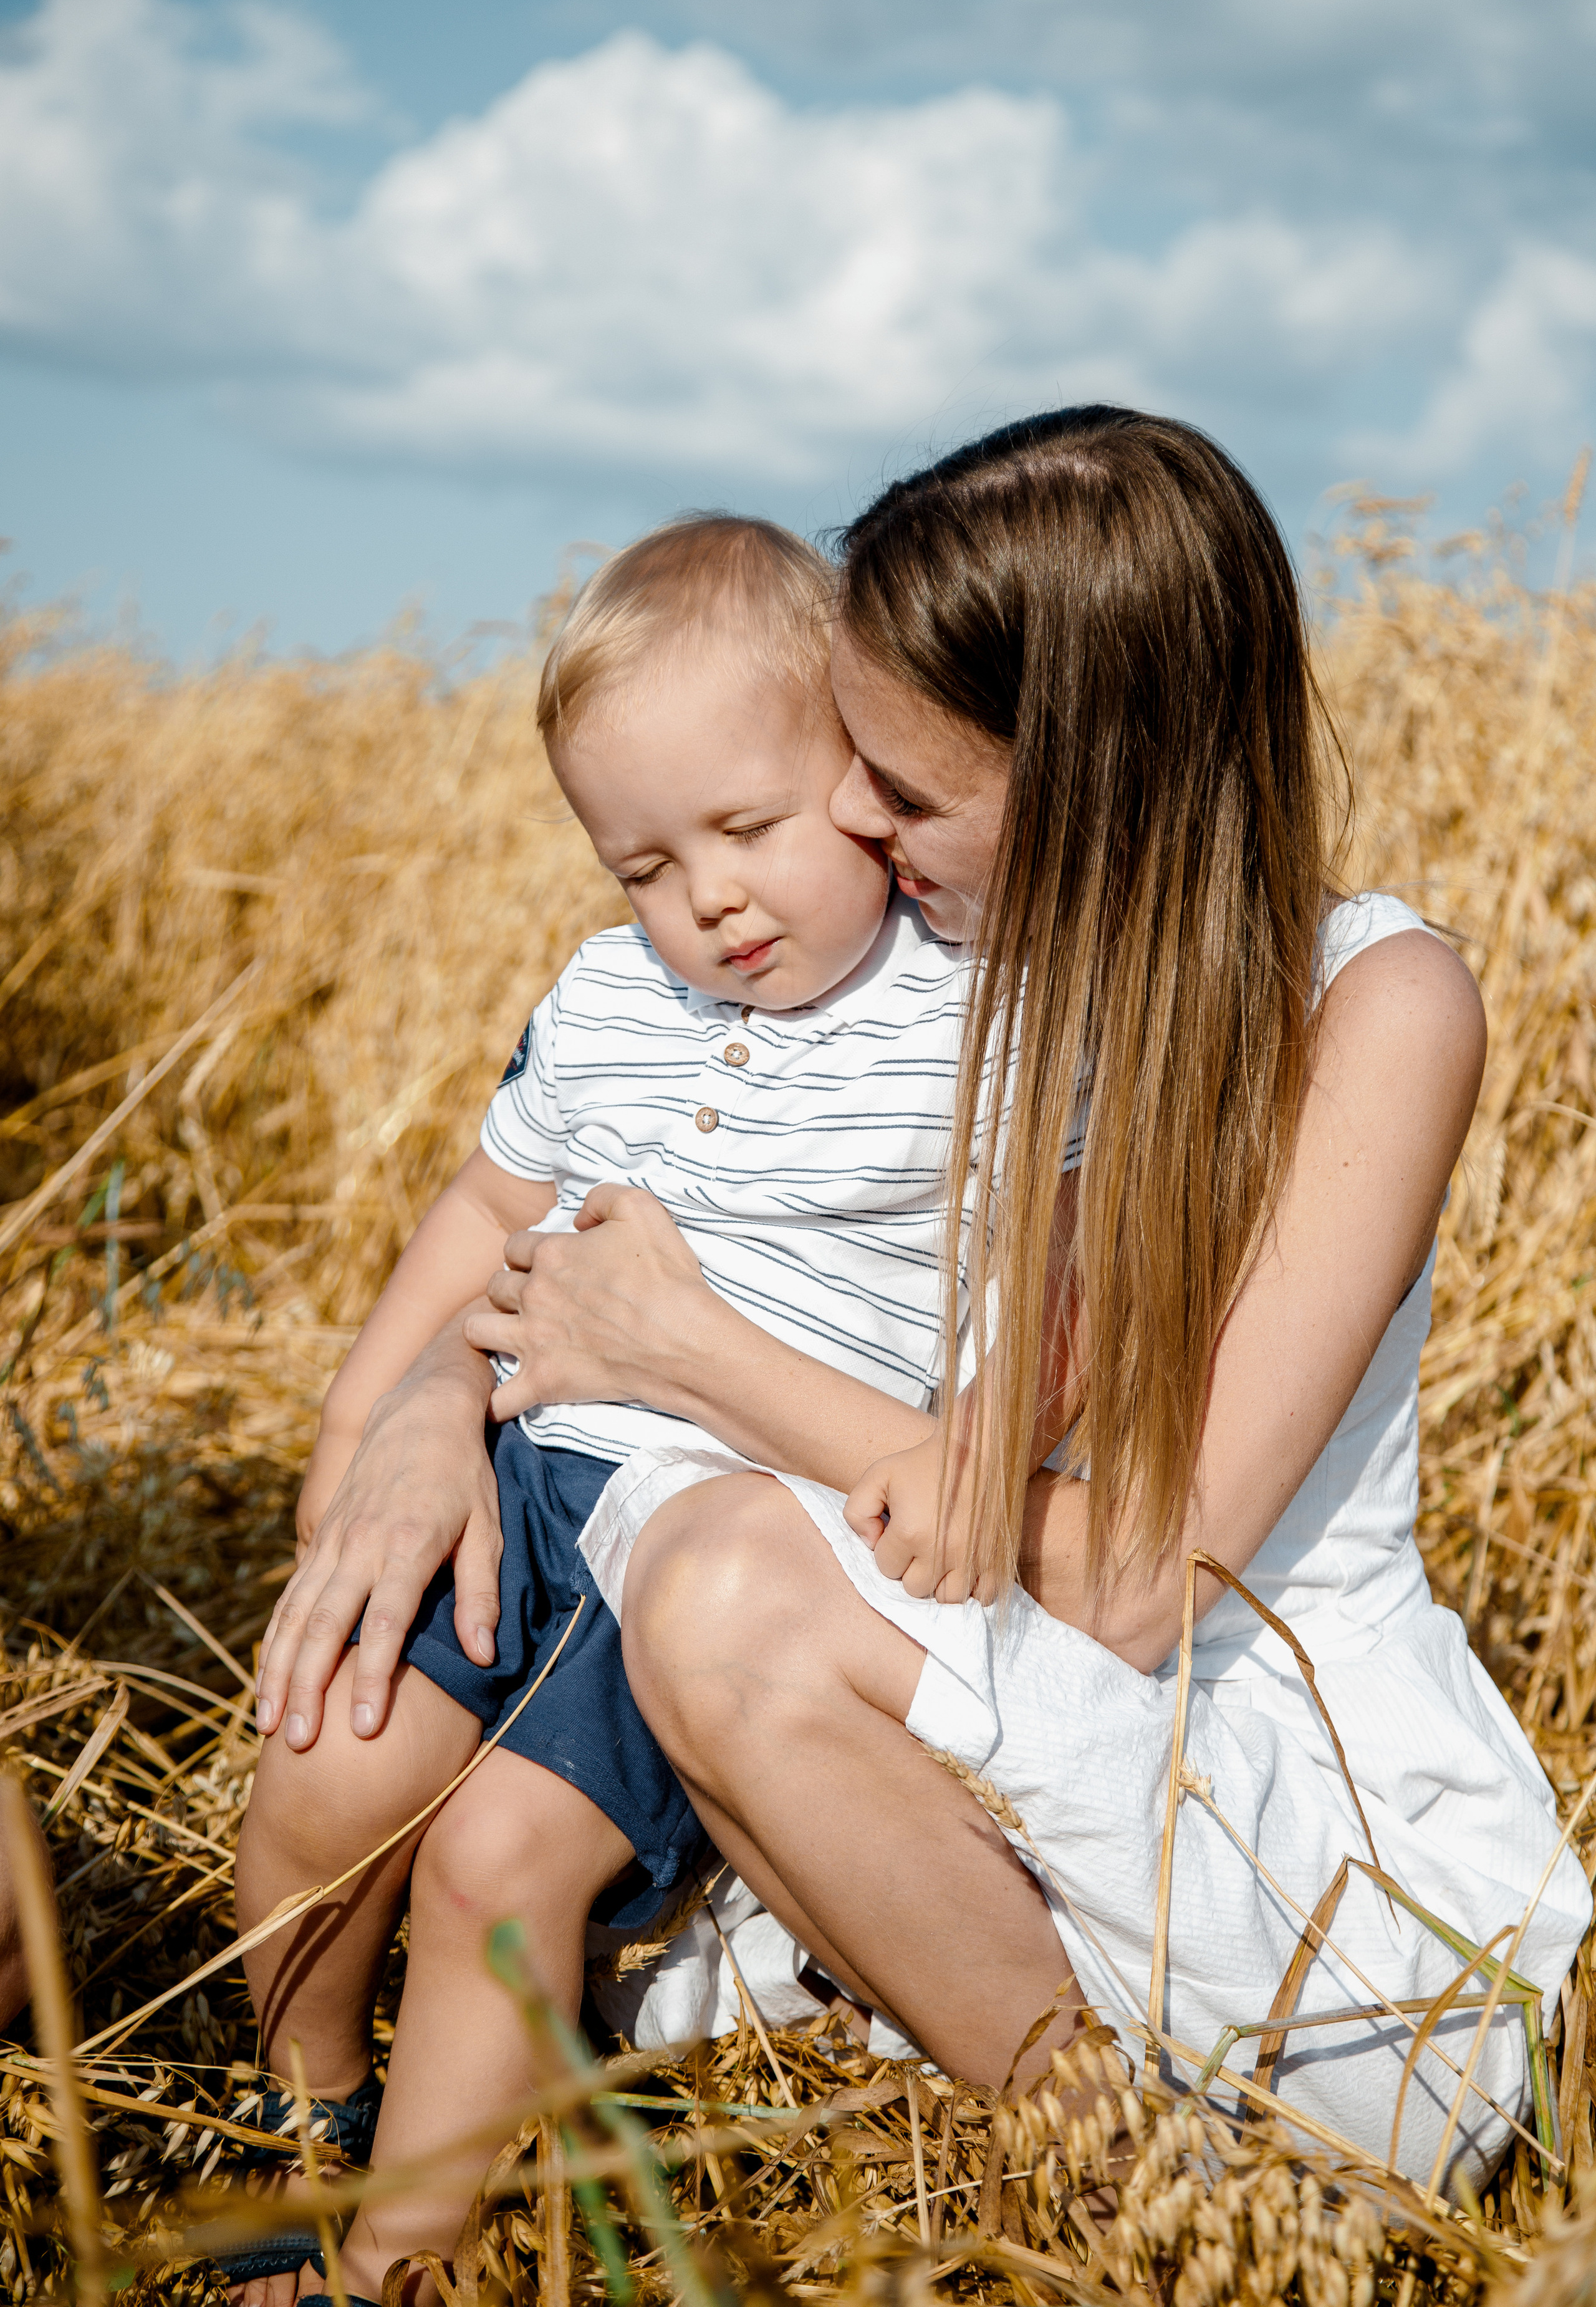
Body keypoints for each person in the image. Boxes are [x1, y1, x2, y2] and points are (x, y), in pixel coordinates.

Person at [256, 410, 1587, 2220]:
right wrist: (432, 1395)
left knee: (716, 1579)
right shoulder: (937, 982)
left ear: (1088, 770)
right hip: (918, 1679)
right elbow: (608, 1200)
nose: (854, 825)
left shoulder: (1370, 1003)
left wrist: (688, 1355)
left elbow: (1146, 1582)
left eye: (900, 784)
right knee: (569, 1703)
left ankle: (1141, 2202)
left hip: (1231, 1777)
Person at [228, 514, 977, 2307]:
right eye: (646, 861)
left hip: (721, 1539)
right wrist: (365, 1426)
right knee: (323, 1767)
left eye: (749, 828)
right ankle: (299, 2111)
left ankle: (403, 2257)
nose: (707, 898)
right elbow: (488, 1205)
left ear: (864, 780)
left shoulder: (970, 1013)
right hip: (523, 1472)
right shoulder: (608, 998)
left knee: (496, 1862)